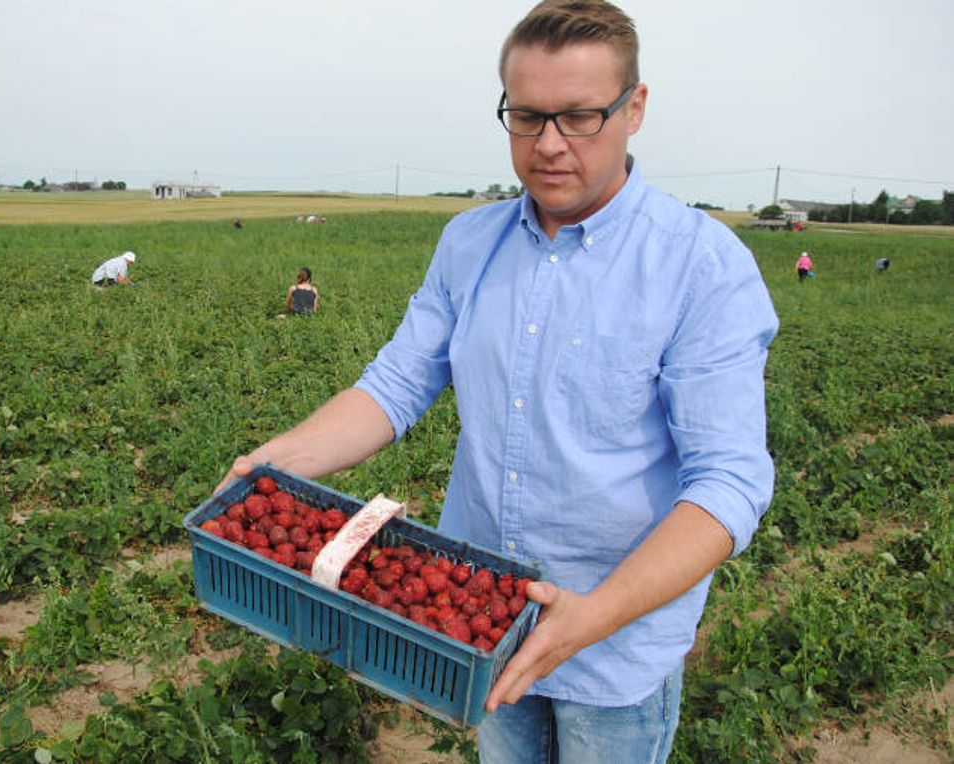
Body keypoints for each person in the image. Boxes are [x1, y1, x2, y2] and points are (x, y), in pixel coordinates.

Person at [218, 2, 777, 761]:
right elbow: (395, 386)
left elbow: (729, 482)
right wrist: (274, 461)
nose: (548, 145)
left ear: (635, 108)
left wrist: (593, 615)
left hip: (615, 647)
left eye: (580, 117)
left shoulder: (699, 265)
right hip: (474, 619)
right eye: (526, 116)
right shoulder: (469, 242)